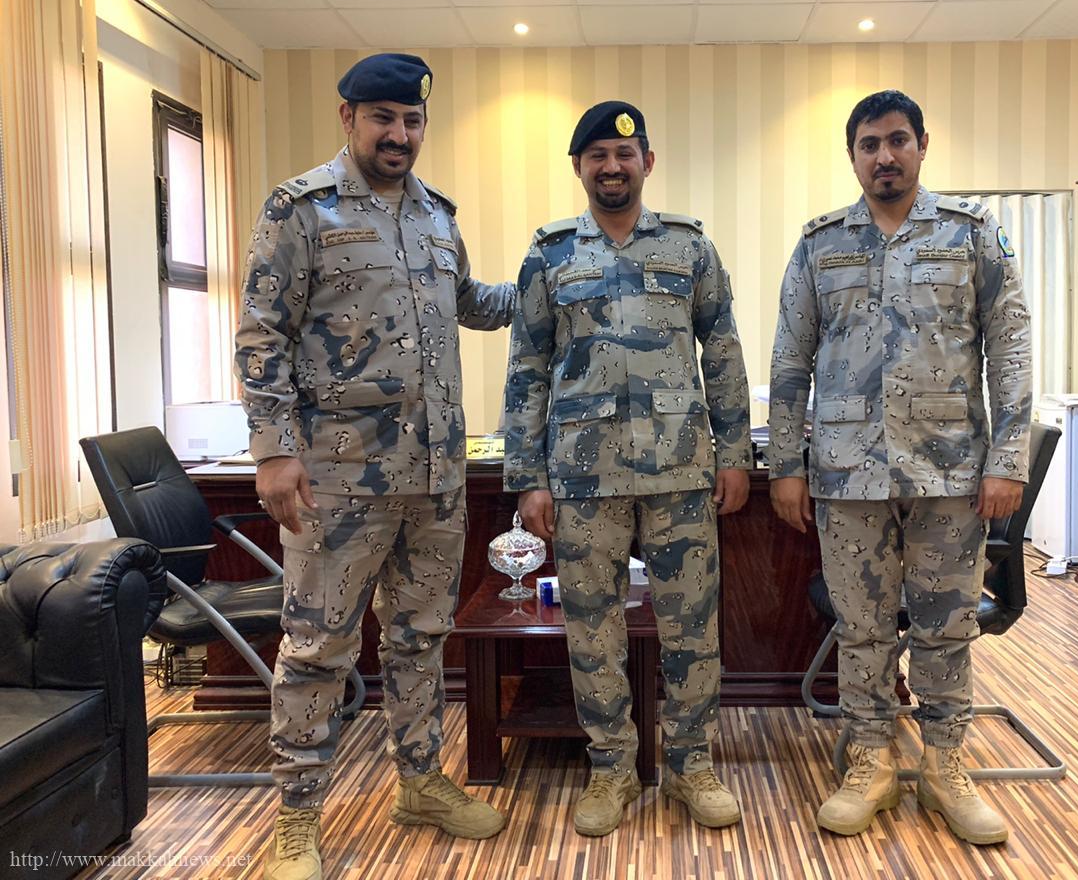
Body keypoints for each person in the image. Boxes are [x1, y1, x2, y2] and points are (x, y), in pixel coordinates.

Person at [236, 53, 515, 880]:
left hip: (435, 478)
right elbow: (261, 334)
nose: (399, 134)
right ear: (348, 117)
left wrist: (550, 279)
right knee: (318, 648)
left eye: (412, 120)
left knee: (421, 640)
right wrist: (274, 450)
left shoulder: (435, 215)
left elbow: (470, 302)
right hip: (338, 480)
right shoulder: (301, 209)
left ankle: (420, 783)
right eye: (383, 117)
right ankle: (296, 818)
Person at [768, 89, 1031, 845]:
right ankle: (871, 763)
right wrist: (786, 464)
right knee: (863, 630)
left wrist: (1008, 457)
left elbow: (1010, 347)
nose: (884, 156)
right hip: (847, 473)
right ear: (852, 155)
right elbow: (790, 360)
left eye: (897, 140)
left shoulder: (970, 234)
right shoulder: (820, 244)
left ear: (921, 145)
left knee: (947, 626)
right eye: (869, 144)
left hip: (951, 471)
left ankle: (946, 768)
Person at [503, 101, 752, 836]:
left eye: (625, 154)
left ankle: (691, 765)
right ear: (579, 167)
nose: (612, 167)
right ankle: (611, 768)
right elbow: (526, 370)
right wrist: (528, 477)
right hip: (583, 478)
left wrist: (735, 455)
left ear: (647, 161)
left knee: (692, 628)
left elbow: (724, 353)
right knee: (593, 630)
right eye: (597, 157)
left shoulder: (690, 248)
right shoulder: (549, 255)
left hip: (681, 473)